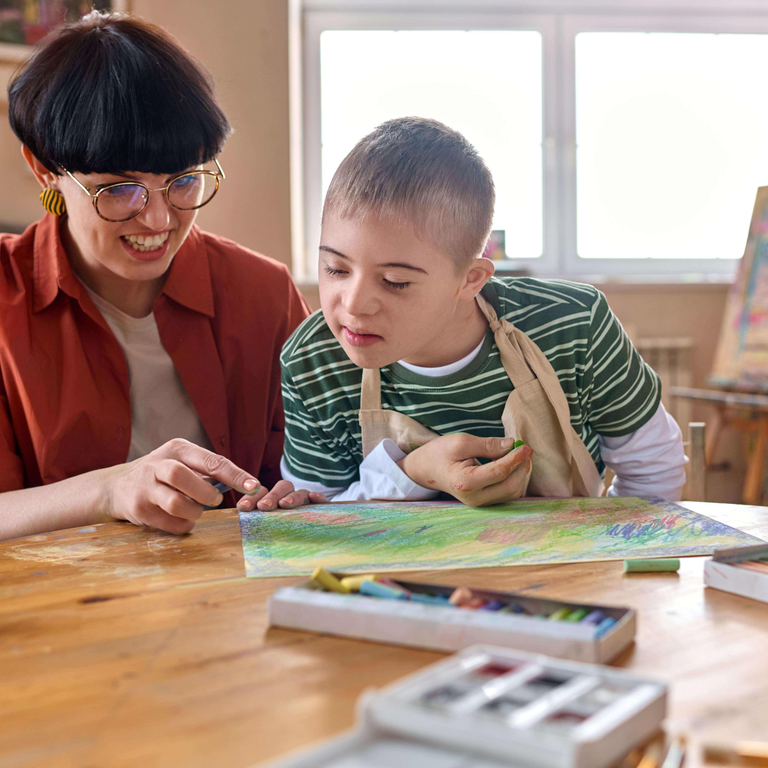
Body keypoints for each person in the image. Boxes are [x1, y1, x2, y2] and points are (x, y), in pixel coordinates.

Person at [241, 117, 686, 512]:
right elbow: (320, 515)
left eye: (395, 281)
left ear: (470, 279)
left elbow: (653, 469)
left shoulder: (573, 326)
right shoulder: (313, 360)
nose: (353, 304)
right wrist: (412, 473)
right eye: (335, 269)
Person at [0, 12, 309, 540]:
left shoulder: (265, 294)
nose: (159, 220)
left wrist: (303, 491)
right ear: (45, 169)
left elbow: (320, 471)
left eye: (183, 180)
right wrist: (109, 490)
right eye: (120, 189)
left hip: (227, 581)